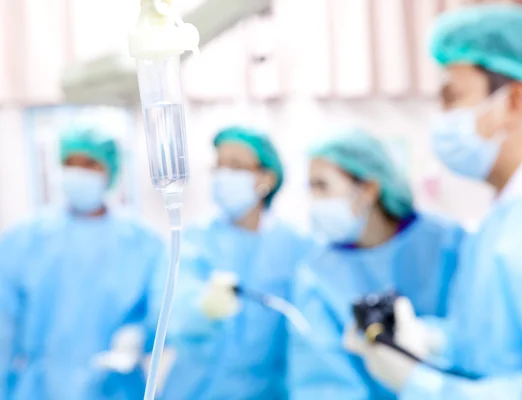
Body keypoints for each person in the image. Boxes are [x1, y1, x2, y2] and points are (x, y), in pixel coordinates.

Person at [346, 4, 522, 399]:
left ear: (515, 101)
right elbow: (494, 344)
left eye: (452, 98)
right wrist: (427, 339)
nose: (441, 118)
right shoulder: (513, 212)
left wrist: (427, 387)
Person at [288, 130, 465, 399]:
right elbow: (321, 381)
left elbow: (481, 336)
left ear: (368, 189)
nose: (314, 202)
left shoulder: (448, 244)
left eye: (322, 186)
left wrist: (431, 341)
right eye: (310, 188)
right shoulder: (316, 273)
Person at [0, 126, 164, 399]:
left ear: (110, 172)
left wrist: (139, 337)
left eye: (89, 164)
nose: (78, 173)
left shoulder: (143, 243)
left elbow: (165, 313)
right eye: (70, 163)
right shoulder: (22, 239)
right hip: (38, 390)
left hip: (115, 389)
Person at [154, 125, 313, 400]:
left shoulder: (298, 246)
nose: (224, 175)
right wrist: (202, 307)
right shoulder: (193, 240)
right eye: (219, 166)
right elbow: (168, 314)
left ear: (267, 177)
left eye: (237, 166)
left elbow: (310, 331)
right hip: (196, 391)